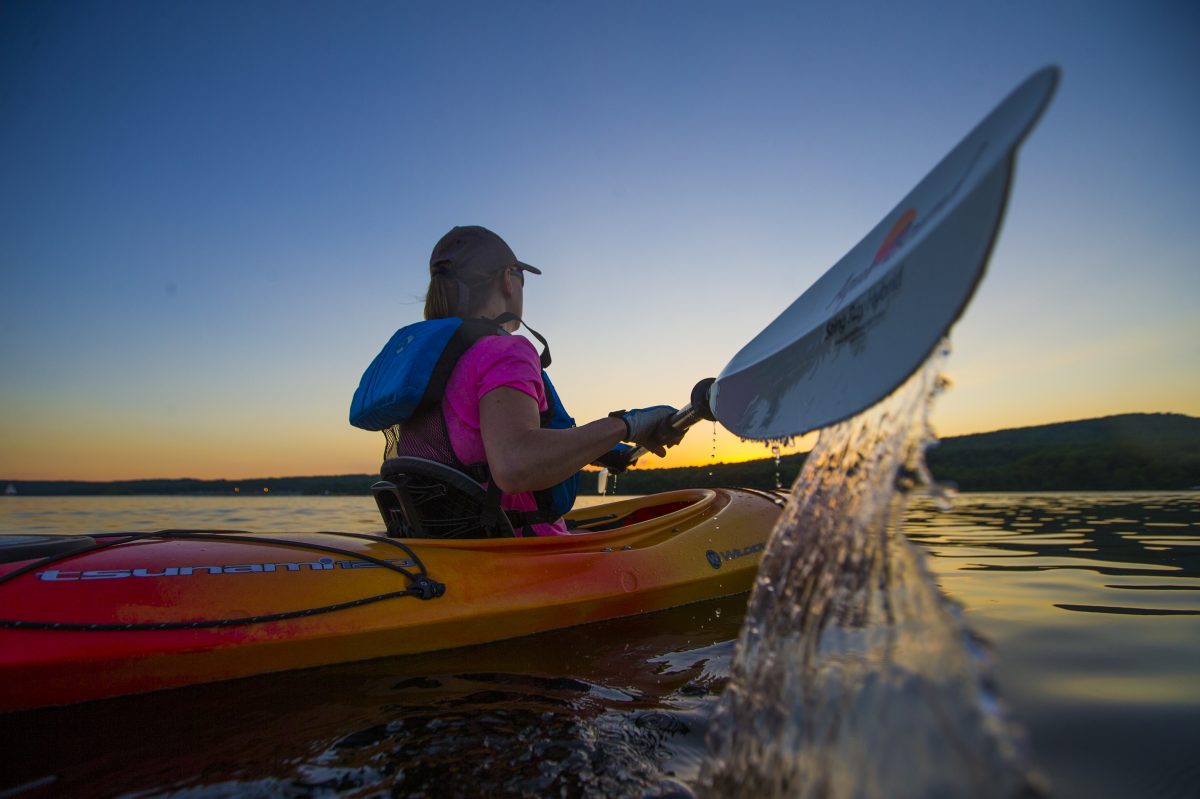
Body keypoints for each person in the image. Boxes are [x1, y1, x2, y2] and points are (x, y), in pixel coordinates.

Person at [350, 225, 685, 536]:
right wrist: (631, 424)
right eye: (522, 278)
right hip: (516, 548)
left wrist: (597, 449)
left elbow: (471, 448)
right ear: (508, 280)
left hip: (446, 546)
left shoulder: (434, 363)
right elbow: (515, 465)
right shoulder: (504, 352)